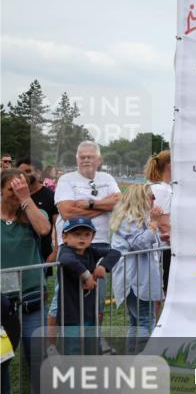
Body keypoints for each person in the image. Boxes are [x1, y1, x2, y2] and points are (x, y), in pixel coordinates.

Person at [52, 141, 120, 329]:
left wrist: (89, 204)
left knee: (97, 299)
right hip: (72, 248)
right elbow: (67, 213)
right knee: (62, 299)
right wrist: (103, 205)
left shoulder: (107, 178)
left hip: (100, 246)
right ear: (76, 159)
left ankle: (93, 340)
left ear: (99, 159)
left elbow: (119, 203)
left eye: (90, 156)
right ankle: (51, 347)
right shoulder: (66, 179)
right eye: (82, 156)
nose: (86, 160)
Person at [0, 169, 51, 394]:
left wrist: (25, 200)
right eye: (11, 189)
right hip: (2, 304)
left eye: (22, 189)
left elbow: (44, 230)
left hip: (31, 300)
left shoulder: (32, 214)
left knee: (37, 357)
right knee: (1, 359)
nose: (16, 194)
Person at [110, 184, 165, 351]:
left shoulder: (136, 219)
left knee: (136, 321)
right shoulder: (129, 219)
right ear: (140, 198)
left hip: (138, 279)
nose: (154, 199)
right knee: (145, 321)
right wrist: (155, 223)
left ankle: (133, 359)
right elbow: (139, 244)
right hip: (135, 281)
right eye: (151, 196)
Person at [57, 218, 120, 350]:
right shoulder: (65, 251)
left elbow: (115, 252)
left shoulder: (91, 251)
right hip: (71, 317)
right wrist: (86, 276)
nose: (82, 238)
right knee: (73, 352)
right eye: (76, 234)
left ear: (93, 237)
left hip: (90, 313)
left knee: (91, 349)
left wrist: (103, 266)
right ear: (64, 237)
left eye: (87, 234)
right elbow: (67, 260)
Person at [16, 158, 58, 263]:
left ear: (38, 173)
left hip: (41, 253)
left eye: (28, 171)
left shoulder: (50, 196)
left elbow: (58, 225)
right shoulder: (13, 195)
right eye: (20, 172)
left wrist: (55, 251)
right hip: (16, 251)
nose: (23, 175)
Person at [144, 150, 172, 292]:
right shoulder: (163, 189)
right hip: (163, 247)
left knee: (158, 292)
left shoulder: (157, 187)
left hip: (159, 246)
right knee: (160, 292)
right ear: (169, 166)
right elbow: (163, 222)